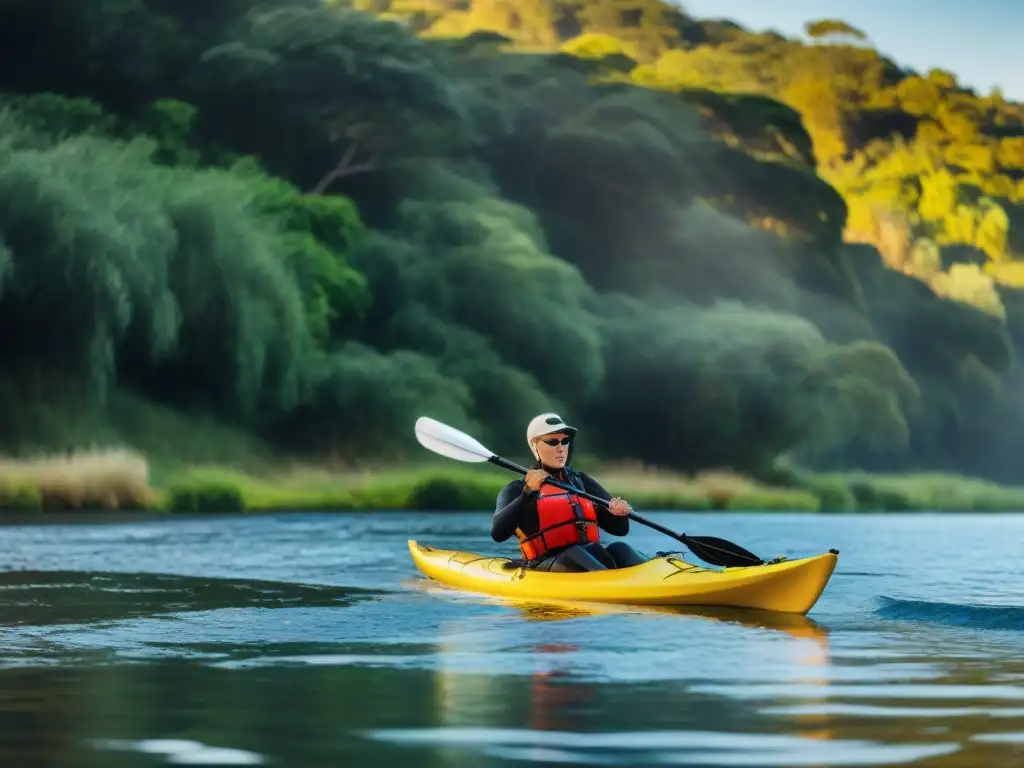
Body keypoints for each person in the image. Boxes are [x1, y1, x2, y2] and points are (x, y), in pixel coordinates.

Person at [491, 412, 649, 572]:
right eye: (552, 442)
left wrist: (619, 514)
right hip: (545, 564)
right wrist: (527, 494)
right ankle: (610, 586)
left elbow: (620, 530)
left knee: (620, 549)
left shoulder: (581, 481)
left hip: (589, 559)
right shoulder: (517, 489)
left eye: (565, 441)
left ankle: (654, 578)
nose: (561, 448)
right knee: (574, 554)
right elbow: (498, 534)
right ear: (534, 445)